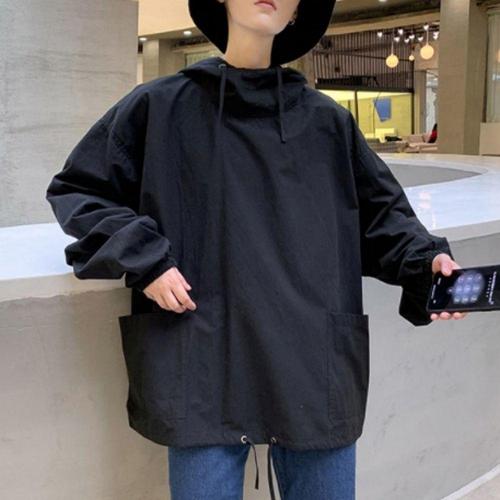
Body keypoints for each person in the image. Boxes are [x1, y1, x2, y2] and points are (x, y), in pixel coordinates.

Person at [45, 0, 467, 498]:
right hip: (203, 351)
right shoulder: (160, 107)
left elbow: (383, 218)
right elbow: (82, 189)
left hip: (311, 357)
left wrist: (426, 263)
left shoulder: (327, 123)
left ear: (297, 12)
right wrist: (146, 259)